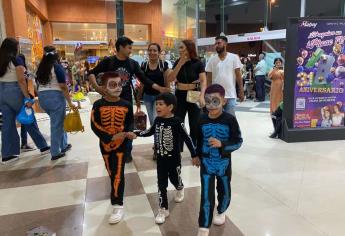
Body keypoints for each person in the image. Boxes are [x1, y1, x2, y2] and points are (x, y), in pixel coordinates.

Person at [89, 36, 169, 163]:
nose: (131, 50)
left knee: (128, 127)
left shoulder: (133, 64)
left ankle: (127, 152)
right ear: (120, 47)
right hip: (109, 101)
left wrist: (158, 88)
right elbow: (91, 72)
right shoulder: (109, 61)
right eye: (129, 48)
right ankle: (111, 149)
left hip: (126, 101)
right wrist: (98, 88)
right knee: (110, 125)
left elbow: (144, 79)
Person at [134, 93, 198, 224]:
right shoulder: (157, 120)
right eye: (156, 104)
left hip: (174, 159)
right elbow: (149, 131)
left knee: (175, 179)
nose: (157, 106)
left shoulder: (178, 122)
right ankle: (163, 208)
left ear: (170, 107)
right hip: (161, 160)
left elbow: (188, 138)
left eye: (160, 104)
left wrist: (194, 155)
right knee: (161, 184)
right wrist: (136, 133)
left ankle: (180, 188)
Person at [195, 84, 243, 236]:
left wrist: (223, 144)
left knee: (224, 190)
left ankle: (221, 210)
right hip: (206, 163)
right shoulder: (201, 119)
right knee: (206, 194)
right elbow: (197, 139)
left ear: (224, 101)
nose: (211, 105)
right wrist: (196, 155)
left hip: (223, 163)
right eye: (208, 101)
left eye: (215, 101)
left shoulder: (230, 120)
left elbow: (238, 141)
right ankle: (204, 225)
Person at [90, 72, 136, 224]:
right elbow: (94, 124)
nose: (117, 88)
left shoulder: (126, 105)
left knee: (117, 173)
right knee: (111, 171)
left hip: (121, 145)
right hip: (105, 144)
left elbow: (130, 123)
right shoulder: (98, 105)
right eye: (112, 85)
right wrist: (109, 137)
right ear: (104, 87)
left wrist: (129, 133)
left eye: (119, 84)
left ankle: (117, 204)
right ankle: (116, 196)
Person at [0, 38, 50, 164]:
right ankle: (43, 146)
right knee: (28, 118)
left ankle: (7, 154)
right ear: (14, 48)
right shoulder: (16, 60)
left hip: (1, 92)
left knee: (7, 124)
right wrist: (27, 97)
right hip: (15, 90)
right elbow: (21, 80)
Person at [36, 46, 77, 160]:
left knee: (58, 121)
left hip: (42, 97)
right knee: (56, 125)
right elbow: (63, 86)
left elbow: (37, 84)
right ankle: (55, 152)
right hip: (55, 97)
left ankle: (63, 145)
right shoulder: (56, 67)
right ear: (56, 55)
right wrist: (70, 102)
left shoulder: (40, 68)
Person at [167, 40, 207, 147]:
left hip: (194, 94)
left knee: (194, 123)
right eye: (179, 48)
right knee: (179, 122)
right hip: (179, 94)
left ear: (189, 49)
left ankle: (193, 148)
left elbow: (203, 80)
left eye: (181, 48)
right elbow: (170, 78)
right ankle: (178, 149)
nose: (179, 50)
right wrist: (180, 63)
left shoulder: (197, 63)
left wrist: (202, 95)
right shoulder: (177, 62)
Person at [205, 36, 244, 117]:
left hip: (230, 95)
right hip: (215, 95)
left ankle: (236, 130)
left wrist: (241, 91)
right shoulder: (212, 60)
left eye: (219, 43)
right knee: (216, 119)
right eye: (215, 44)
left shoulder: (234, 57)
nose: (216, 45)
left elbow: (238, 76)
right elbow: (209, 79)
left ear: (225, 44)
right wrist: (207, 95)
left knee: (231, 120)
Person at [18, 53, 36, 152]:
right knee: (26, 120)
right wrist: (28, 97)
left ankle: (23, 143)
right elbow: (22, 82)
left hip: (14, 97)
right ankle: (24, 143)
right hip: (22, 97)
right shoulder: (22, 69)